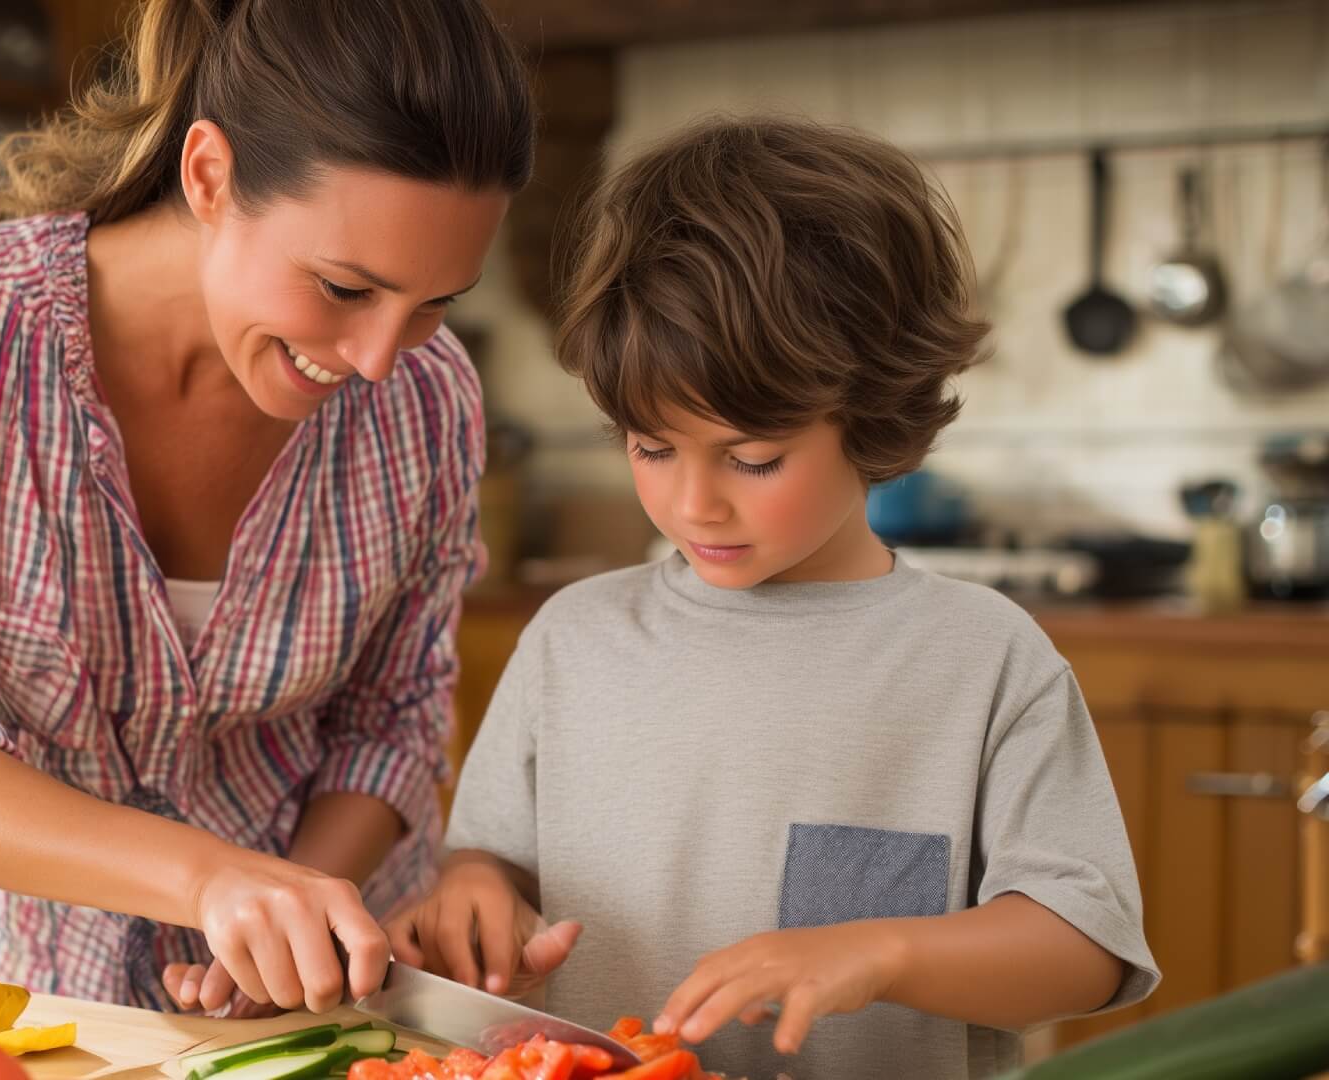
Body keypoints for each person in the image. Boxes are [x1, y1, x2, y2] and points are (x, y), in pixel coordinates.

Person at [390, 115, 1158, 1080]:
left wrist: (880, 952)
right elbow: (487, 865)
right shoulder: (573, 642)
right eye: (650, 447)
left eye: (753, 459)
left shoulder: (983, 659)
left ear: (875, 413)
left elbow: (1083, 953)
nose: (691, 501)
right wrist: (475, 895)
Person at [0, 0, 534, 1016]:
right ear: (208, 176)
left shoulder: (428, 397)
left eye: (435, 303)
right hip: (32, 1015)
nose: (377, 359)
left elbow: (392, 723)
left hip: (325, 1009)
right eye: (342, 287)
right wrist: (209, 879)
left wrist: (298, 918)